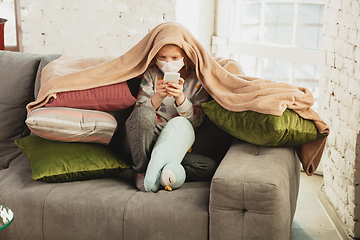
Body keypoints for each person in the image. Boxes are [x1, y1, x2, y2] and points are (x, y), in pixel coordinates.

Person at [119, 44, 217, 191]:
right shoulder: (151, 73)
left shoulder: (198, 80)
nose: (168, 62)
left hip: (168, 147)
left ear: (186, 57)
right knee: (144, 114)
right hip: (139, 141)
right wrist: (158, 96)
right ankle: (141, 171)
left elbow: (197, 121)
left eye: (175, 57)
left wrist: (180, 97)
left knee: (208, 167)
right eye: (162, 57)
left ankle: (149, 172)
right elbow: (138, 116)